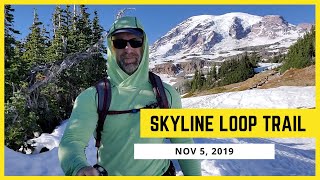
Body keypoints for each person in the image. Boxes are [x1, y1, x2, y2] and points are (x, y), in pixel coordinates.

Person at [58, 16, 201, 176]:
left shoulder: (166, 94)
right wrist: (78, 167)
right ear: (111, 48)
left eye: (135, 41)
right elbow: (72, 141)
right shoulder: (94, 97)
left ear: (144, 45)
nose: (128, 49)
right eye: (119, 43)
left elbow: (183, 143)